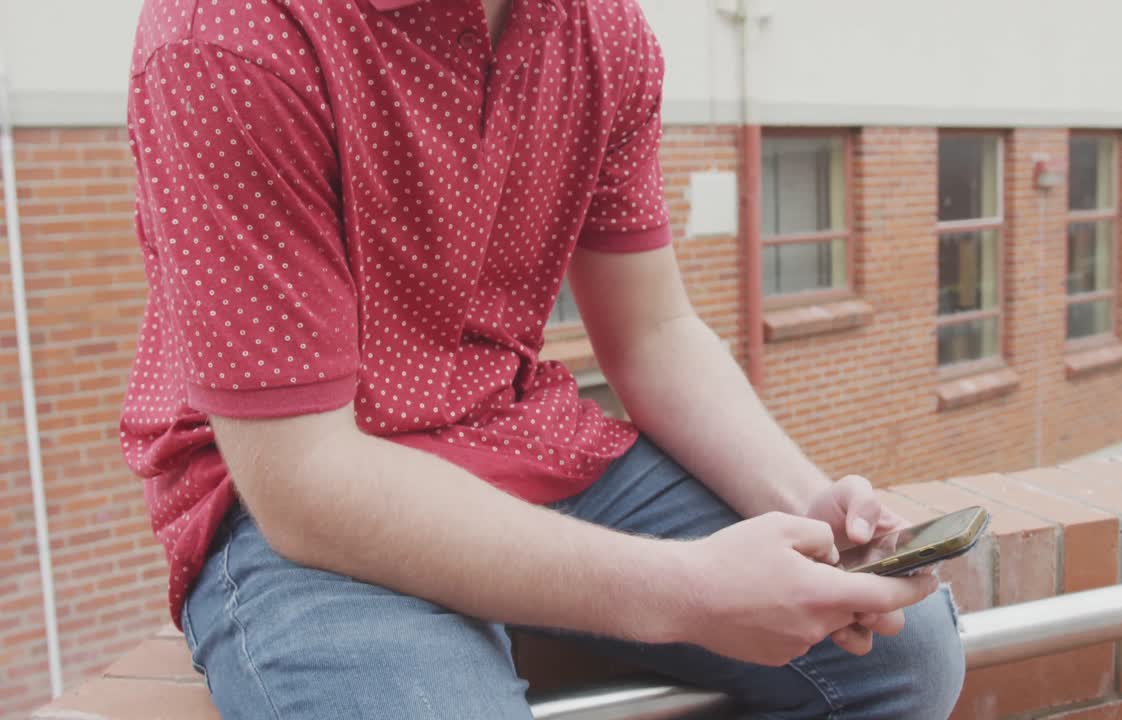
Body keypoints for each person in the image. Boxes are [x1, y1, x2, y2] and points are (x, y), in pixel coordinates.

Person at [121, 0, 965, 717]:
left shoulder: (599, 27)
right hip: (295, 500)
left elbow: (654, 333)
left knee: (905, 654)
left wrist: (807, 503)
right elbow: (303, 484)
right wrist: (687, 592)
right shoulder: (229, 36)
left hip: (517, 430)